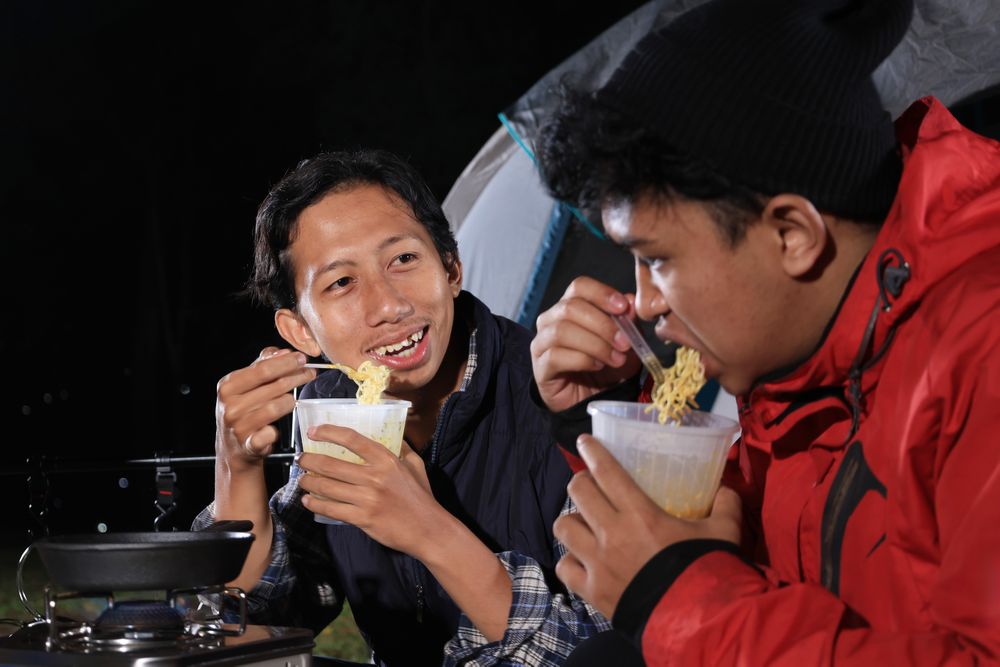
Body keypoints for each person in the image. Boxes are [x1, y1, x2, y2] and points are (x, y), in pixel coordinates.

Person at [530, 0, 1000, 663]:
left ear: (792, 235)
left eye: (657, 259)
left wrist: (680, 601)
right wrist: (597, 414)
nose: (643, 302)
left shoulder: (982, 351)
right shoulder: (796, 365)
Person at [195, 148, 609, 666]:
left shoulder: (565, 397)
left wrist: (430, 531)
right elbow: (247, 620)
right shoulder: (333, 404)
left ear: (451, 269)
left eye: (404, 260)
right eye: (341, 282)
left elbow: (602, 650)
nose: (389, 306)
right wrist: (237, 466)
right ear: (300, 331)